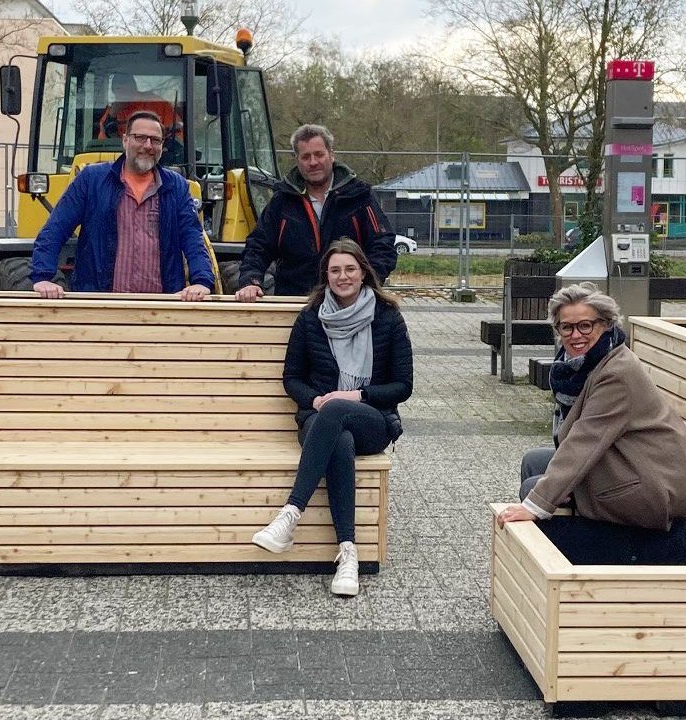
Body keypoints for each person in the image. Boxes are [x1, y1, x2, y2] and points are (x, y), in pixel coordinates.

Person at [251, 239, 413, 597]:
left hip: (373, 419)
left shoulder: (387, 317)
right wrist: (317, 398)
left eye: (350, 269)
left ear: (363, 272)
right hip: (318, 418)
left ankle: (291, 514)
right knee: (338, 437)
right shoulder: (311, 318)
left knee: (339, 412)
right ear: (326, 275)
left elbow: (403, 386)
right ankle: (349, 555)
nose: (343, 276)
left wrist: (351, 395)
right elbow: (291, 378)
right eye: (335, 270)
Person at [496, 283, 686, 530]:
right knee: (535, 461)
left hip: (653, 486)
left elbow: (584, 441)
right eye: (567, 327)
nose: (575, 335)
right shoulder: (583, 366)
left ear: (606, 325)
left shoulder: (617, 373)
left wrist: (536, 504)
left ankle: (569, 557)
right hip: (623, 462)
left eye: (585, 325)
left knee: (535, 491)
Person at [30, 110, 214, 300]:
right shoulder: (91, 180)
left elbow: (192, 236)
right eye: (140, 138)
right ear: (125, 140)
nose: (148, 145)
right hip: (100, 306)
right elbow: (56, 227)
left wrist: (201, 281)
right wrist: (43, 276)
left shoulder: (176, 186)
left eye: (155, 140)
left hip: (161, 308)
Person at [234, 124, 397, 300]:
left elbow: (382, 244)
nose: (313, 162)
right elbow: (258, 245)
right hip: (294, 302)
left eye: (319, 154)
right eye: (306, 157)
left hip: (349, 304)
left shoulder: (359, 196)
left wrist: (366, 285)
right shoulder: (282, 200)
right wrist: (251, 280)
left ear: (331, 154)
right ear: (297, 159)